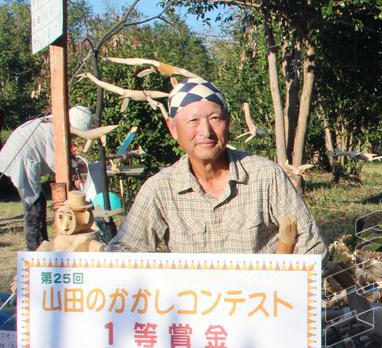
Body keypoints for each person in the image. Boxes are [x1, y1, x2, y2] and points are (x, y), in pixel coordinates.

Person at [108, 78, 326, 256]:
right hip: (194, 306)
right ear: (173, 129)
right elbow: (124, 250)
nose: (206, 131)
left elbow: (312, 247)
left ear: (228, 123)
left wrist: (282, 290)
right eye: (193, 121)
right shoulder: (161, 189)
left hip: (262, 304)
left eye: (215, 118)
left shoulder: (266, 176)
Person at [0, 106, 94, 250]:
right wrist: (75, 170)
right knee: (34, 205)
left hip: (16, 157)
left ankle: (41, 244)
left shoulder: (51, 122)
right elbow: (56, 162)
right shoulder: (55, 130)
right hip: (20, 160)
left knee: (38, 203)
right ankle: (35, 248)